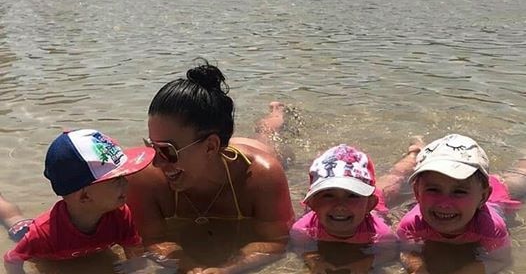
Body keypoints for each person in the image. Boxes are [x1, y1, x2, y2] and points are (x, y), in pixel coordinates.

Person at [124, 59, 295, 274]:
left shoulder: (261, 176)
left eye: (167, 150)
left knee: (267, 135)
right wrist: (189, 266)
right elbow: (151, 239)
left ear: (211, 146)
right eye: (151, 146)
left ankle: (276, 115)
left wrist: (227, 269)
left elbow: (277, 240)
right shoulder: (145, 179)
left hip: (252, 150)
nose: (157, 162)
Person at [2, 129, 155, 274]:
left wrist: (137, 263)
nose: (126, 182)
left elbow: (133, 246)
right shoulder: (42, 234)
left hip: (81, 250)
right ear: (85, 196)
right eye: (117, 179)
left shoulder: (120, 214)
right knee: (13, 218)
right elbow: (12, 259)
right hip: (41, 246)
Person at [290, 139, 424, 274]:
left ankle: (414, 154)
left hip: (376, 202)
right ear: (312, 203)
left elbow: (389, 253)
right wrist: (313, 261)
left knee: (394, 179)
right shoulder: (302, 230)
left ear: (370, 204)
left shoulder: (380, 235)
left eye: (352, 195)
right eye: (328, 195)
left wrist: (366, 263)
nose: (340, 205)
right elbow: (301, 249)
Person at [396, 134, 524, 274]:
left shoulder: (491, 226)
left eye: (459, 192)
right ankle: (417, 149)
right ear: (417, 193)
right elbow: (406, 251)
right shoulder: (411, 224)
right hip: (474, 189)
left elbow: (500, 260)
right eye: (433, 189)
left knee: (521, 178)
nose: (444, 204)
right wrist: (417, 269)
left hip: (497, 196)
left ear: (483, 197)